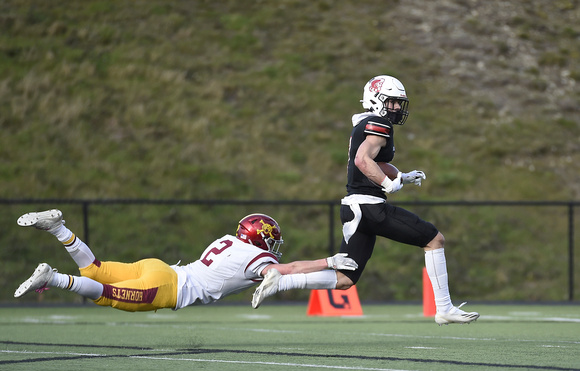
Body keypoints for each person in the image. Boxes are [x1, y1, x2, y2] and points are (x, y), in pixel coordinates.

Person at [252, 75, 480, 326]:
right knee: (434, 239)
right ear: (376, 100)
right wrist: (388, 184)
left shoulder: (365, 123)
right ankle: (444, 308)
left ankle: (282, 281)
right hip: (369, 207)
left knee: (345, 278)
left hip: (354, 208)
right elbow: (363, 161)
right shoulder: (379, 123)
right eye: (392, 102)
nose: (396, 108)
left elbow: (376, 162)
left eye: (398, 103)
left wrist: (401, 176)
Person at [14, 209, 358, 312]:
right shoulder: (259, 257)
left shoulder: (229, 240)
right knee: (103, 292)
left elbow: (287, 275)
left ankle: (59, 228)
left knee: (95, 269)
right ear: (262, 238)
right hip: (167, 287)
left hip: (162, 268)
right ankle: (53, 279)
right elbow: (289, 270)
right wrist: (328, 261)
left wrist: (333, 275)